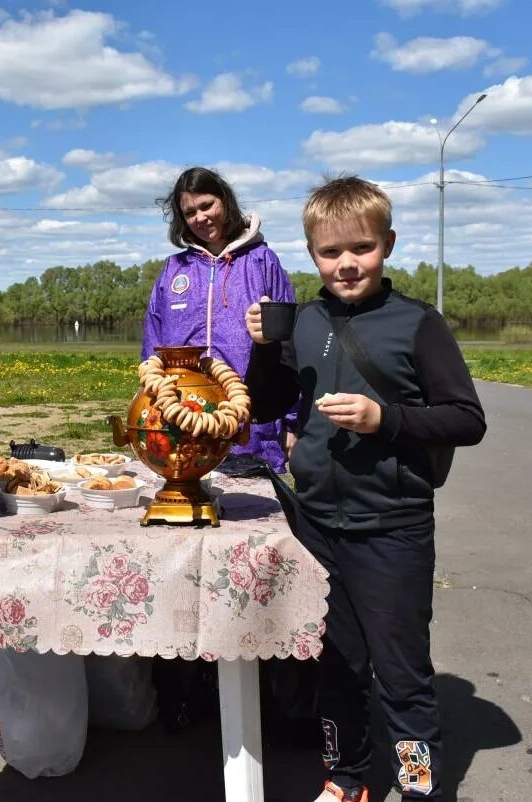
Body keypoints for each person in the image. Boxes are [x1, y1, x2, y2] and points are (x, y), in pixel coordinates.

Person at [244, 176, 486, 802]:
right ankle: (346, 778)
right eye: (330, 253)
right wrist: (264, 348)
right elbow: (266, 404)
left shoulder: (417, 324)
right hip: (319, 525)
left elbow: (466, 418)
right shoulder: (305, 321)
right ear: (312, 254)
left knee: (402, 675)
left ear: (388, 244)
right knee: (337, 667)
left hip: (394, 526)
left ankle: (420, 786)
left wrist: (387, 419)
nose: (347, 264)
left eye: (362, 248)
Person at [144, 166, 298, 472]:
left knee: (256, 517)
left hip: (251, 428)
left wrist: (292, 420)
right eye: (189, 212)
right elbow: (152, 350)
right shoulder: (174, 270)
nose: (200, 218)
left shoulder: (262, 261)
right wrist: (152, 406)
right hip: (184, 424)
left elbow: (289, 346)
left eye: (206, 205)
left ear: (225, 201)